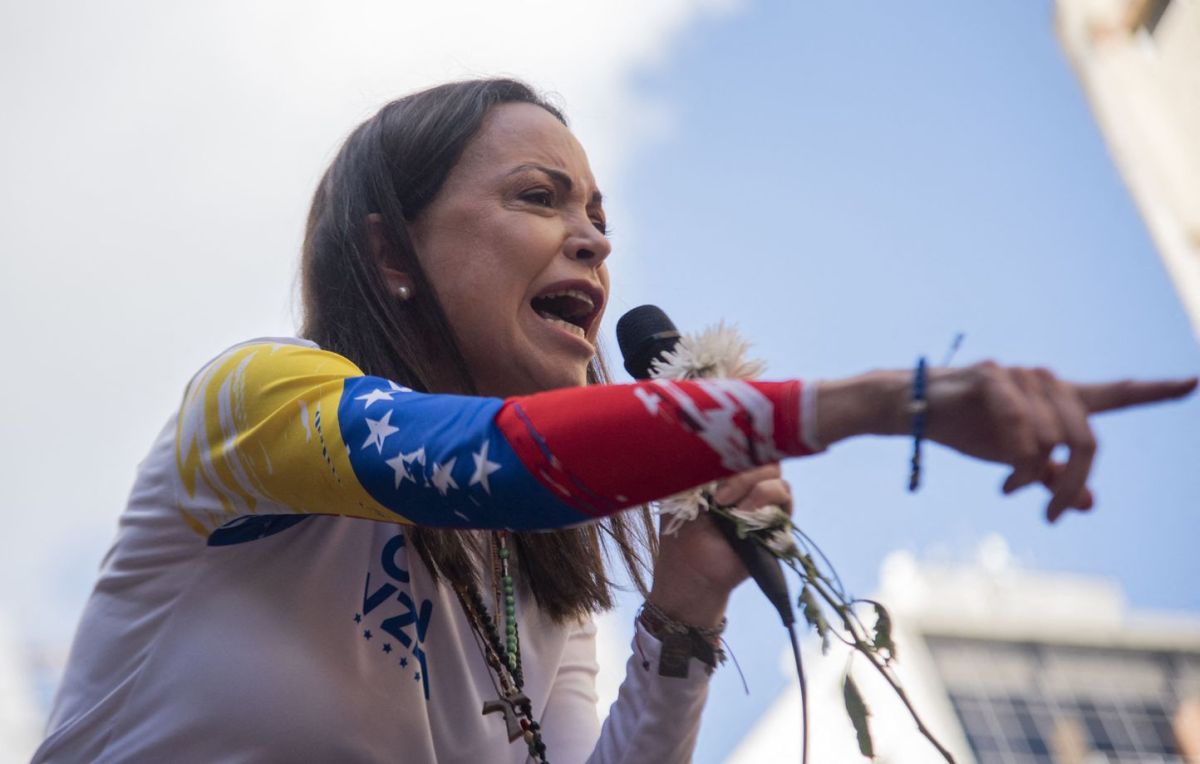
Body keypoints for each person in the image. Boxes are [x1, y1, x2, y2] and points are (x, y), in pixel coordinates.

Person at [34, 79, 1196, 764]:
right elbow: (487, 464)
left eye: (599, 212)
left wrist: (684, 612)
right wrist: (897, 401)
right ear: (389, 253)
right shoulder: (250, 403)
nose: (593, 239)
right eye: (538, 200)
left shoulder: (543, 577)